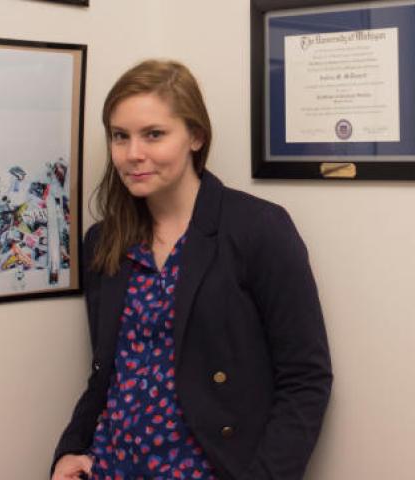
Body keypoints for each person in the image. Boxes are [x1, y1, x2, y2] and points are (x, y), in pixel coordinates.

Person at [51, 59, 332, 480]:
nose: (133, 154)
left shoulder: (258, 229)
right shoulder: (104, 242)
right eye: (119, 136)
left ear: (195, 136)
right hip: (112, 466)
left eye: (154, 135)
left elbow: (306, 380)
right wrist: (71, 448)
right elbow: (108, 369)